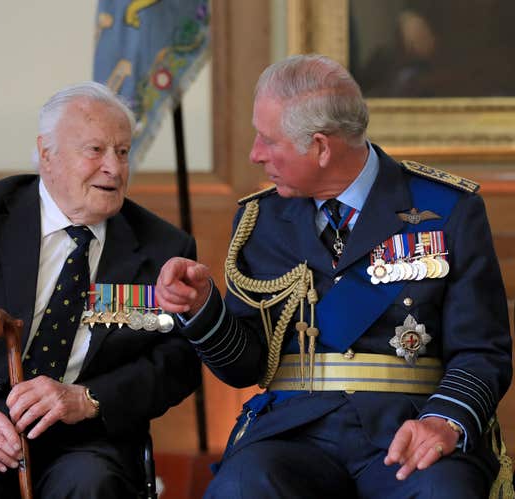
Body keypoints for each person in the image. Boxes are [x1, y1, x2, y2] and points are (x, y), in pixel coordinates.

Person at [155, 54, 513, 498]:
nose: (255, 154)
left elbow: (482, 350)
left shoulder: (447, 210)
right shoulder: (259, 219)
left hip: (407, 427)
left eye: (269, 141)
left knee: (446, 490)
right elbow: (247, 365)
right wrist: (202, 309)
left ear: (321, 147)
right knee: (242, 486)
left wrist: (444, 420)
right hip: (294, 434)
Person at [0, 81, 201, 498]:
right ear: (47, 154)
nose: (115, 168)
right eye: (96, 150)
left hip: (84, 440)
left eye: (122, 152)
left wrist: (88, 398)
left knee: (92, 485)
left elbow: (178, 362)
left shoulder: (162, 248)